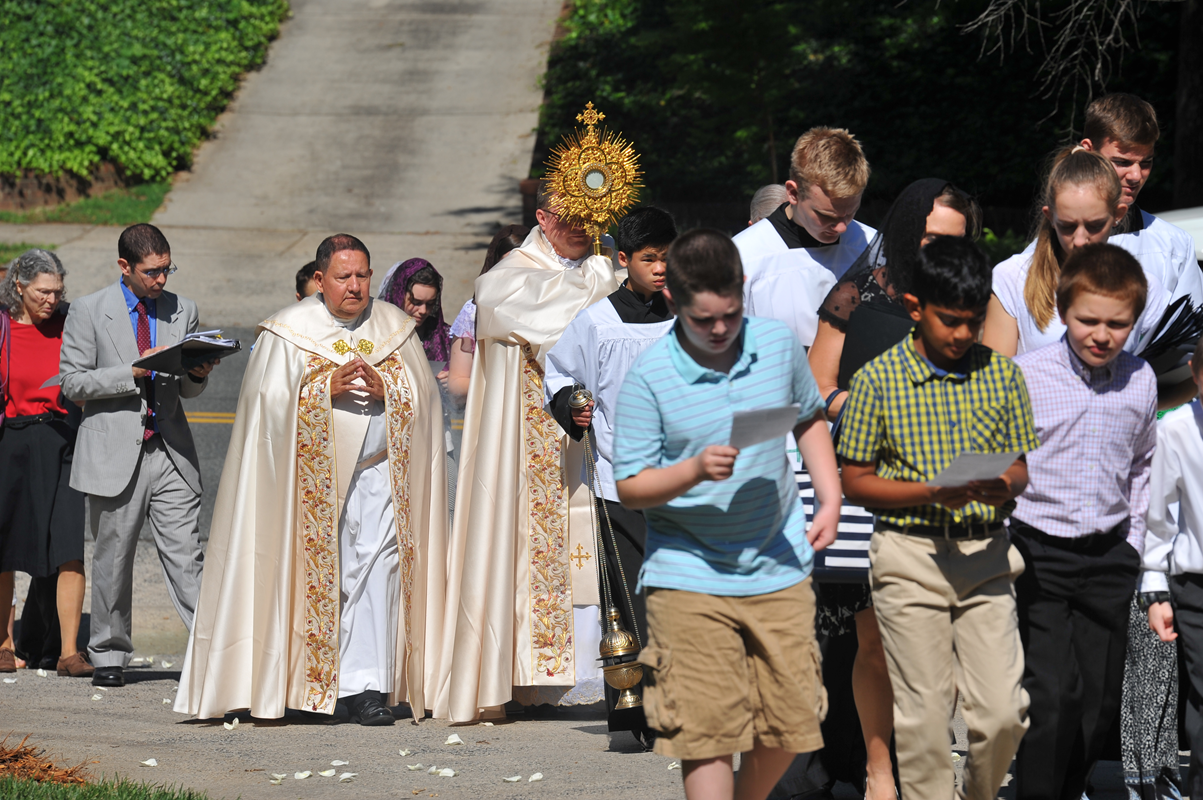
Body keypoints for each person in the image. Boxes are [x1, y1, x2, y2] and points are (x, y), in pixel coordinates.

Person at [176, 234, 448, 725]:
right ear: (320, 280)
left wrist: (395, 390)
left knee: (379, 574)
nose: (355, 286)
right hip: (309, 487)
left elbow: (427, 402)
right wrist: (324, 387)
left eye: (363, 275)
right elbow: (265, 412)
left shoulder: (395, 328)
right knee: (329, 579)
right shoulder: (288, 331)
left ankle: (367, 687)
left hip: (381, 476)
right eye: (343, 277)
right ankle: (311, 685)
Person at [611, 228, 840, 800]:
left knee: (794, 723)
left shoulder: (778, 344)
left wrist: (829, 494)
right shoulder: (650, 375)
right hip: (689, 575)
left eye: (730, 315)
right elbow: (632, 485)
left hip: (776, 562)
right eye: (703, 319)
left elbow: (808, 416)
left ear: (743, 291)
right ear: (674, 302)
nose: (719, 330)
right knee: (706, 732)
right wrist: (691, 470)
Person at [839, 236, 1039, 800]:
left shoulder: (1001, 376)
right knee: (924, 722)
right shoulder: (878, 380)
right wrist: (931, 491)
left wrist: (1001, 483)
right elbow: (855, 481)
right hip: (908, 556)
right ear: (913, 307)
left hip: (987, 556)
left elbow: (1020, 467)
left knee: (1004, 714)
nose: (962, 335)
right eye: (950, 321)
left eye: (973, 322)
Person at [802, 178, 980, 800]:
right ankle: (880, 772)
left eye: (953, 242)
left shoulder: (975, 303)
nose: (939, 252)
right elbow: (816, 384)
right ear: (907, 234)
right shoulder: (859, 294)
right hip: (871, 486)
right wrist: (866, 404)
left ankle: (931, 761)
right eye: (930, 238)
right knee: (875, 640)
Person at [433, 183, 619, 722]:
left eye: (590, 216)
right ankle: (511, 676)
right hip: (525, 443)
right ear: (541, 216)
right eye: (569, 216)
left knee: (587, 546)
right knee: (517, 545)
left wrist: (607, 282)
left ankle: (592, 672)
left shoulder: (607, 269)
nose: (581, 226)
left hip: (591, 443)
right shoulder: (508, 275)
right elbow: (554, 320)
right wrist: (602, 287)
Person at [1006, 243, 1157, 800]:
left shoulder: (1140, 380)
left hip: (1109, 558)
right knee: (1051, 696)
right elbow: (1000, 460)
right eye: (1088, 319)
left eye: (1117, 324)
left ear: (1133, 321)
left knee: (1096, 706)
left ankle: (1068, 790)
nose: (1101, 334)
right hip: (1039, 552)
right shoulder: (1025, 375)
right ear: (1063, 311)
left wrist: (1134, 543)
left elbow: (1143, 464)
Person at [59, 224, 217, 688]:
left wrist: (199, 371)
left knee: (187, 555)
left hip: (169, 449)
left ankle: (214, 650)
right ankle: (108, 653)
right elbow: (72, 383)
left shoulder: (182, 308)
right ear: (125, 267)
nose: (162, 280)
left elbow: (188, 388)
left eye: (167, 269)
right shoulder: (89, 310)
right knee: (114, 557)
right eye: (152, 272)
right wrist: (132, 372)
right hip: (113, 451)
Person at [543, 206, 677, 741]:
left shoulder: (689, 313)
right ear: (623, 260)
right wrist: (574, 403)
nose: (662, 268)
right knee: (631, 595)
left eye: (669, 257)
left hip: (685, 474)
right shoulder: (597, 320)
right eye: (650, 259)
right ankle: (629, 708)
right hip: (620, 473)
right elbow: (559, 371)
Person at [983, 147, 1169, 376]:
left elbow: (1168, 374)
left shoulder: (1145, 286)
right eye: (1068, 227)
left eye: (1094, 226)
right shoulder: (1012, 278)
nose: (1080, 240)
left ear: (1118, 215)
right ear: (1050, 217)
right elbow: (993, 385)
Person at [0, 250, 89, 677]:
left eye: (57, 291)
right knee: (5, 548)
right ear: (19, 286)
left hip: (63, 438)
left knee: (70, 546)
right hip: (11, 439)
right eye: (42, 292)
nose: (52, 300)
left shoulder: (71, 320)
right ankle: (4, 643)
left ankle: (68, 652)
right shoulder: (3, 326)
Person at [734, 127, 876, 349]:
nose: (841, 227)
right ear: (793, 193)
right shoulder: (742, 256)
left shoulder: (874, 247)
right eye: (826, 215)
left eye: (850, 213)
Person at [1143, 337, 1203, 800]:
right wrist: (1155, 586)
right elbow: (1158, 518)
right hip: (1195, 586)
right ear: (1195, 375)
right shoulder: (1176, 430)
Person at [379, 258, 456, 515]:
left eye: (430, 304)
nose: (422, 311)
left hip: (436, 440)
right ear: (399, 293)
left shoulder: (443, 337)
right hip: (387, 445)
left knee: (447, 507)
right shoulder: (375, 335)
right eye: (415, 301)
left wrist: (452, 378)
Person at [446, 225, 529, 404]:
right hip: (491, 410)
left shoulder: (548, 307)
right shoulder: (475, 312)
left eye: (524, 264)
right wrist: (505, 389)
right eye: (507, 263)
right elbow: (457, 382)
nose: (514, 271)